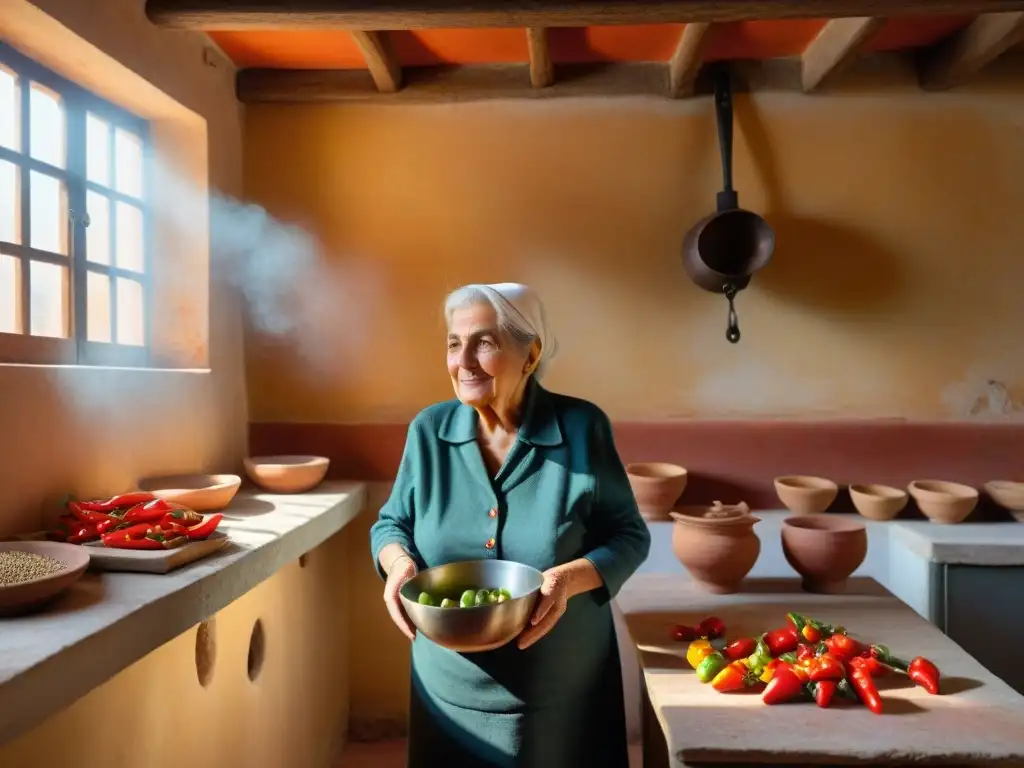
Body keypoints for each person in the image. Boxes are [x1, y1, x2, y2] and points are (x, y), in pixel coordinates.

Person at [369, 282, 651, 768]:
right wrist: (397, 564)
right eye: (455, 344)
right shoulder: (429, 430)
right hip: (447, 691)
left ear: (531, 352)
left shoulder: (582, 428)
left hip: (563, 690)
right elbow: (392, 523)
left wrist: (568, 579)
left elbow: (629, 536)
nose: (465, 362)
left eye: (485, 342)